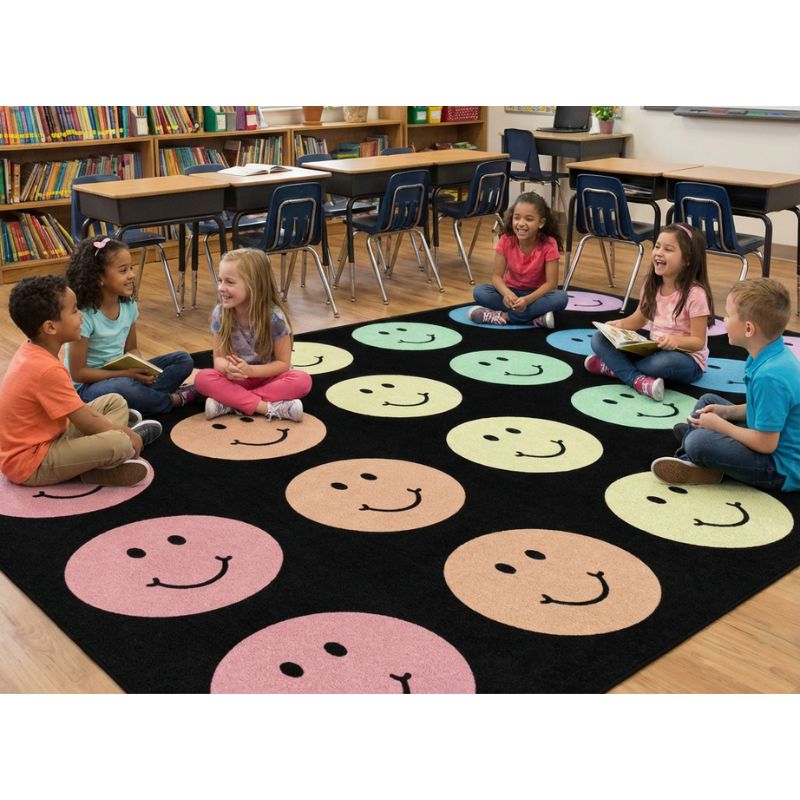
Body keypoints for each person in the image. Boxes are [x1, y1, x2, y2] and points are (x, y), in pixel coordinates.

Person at [0, 275, 162, 487]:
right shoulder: (45, 369)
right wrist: (124, 434)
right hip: (31, 463)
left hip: (52, 435)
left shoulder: (36, 350)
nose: (82, 316)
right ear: (50, 327)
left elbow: (80, 414)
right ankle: (106, 460)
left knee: (115, 401)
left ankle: (95, 464)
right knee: (119, 442)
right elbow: (86, 420)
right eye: (75, 310)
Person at [651, 278, 800, 489]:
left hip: (778, 467)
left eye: (729, 315)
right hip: (766, 435)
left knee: (699, 442)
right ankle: (699, 442)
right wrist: (726, 413)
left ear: (749, 329)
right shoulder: (769, 354)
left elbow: (766, 444)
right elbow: (761, 409)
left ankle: (694, 456)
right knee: (707, 401)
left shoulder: (770, 377)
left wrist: (721, 426)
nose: (724, 319)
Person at [65, 235, 197, 415]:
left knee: (183, 359)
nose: (132, 275)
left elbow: (132, 349)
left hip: (123, 375)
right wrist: (125, 375)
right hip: (87, 388)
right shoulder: (84, 317)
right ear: (99, 278)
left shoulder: (129, 306)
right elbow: (78, 373)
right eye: (123, 270)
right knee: (125, 386)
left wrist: (142, 369)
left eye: (131, 268)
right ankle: (172, 400)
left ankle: (141, 402)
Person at [584, 223, 714, 401]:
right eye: (657, 246)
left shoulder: (695, 294)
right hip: (653, 349)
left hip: (686, 359)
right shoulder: (651, 284)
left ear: (688, 260)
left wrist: (675, 341)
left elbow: (698, 342)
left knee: (661, 364)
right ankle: (637, 380)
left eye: (668, 249)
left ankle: (615, 368)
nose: (659, 253)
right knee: (598, 338)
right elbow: (639, 319)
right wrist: (617, 326)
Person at [194, 248, 312, 420]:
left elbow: (283, 364)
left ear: (253, 285)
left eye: (230, 282)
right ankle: (266, 407)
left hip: (268, 378)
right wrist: (228, 368)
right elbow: (218, 360)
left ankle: (229, 403)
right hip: (236, 379)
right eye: (220, 280)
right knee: (202, 379)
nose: (221, 288)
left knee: (303, 381)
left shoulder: (274, 318)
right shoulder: (221, 314)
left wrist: (250, 371)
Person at [468, 191, 568, 328]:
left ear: (541, 223)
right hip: (511, 293)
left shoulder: (549, 244)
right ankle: (533, 318)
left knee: (561, 298)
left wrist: (527, 300)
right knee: (480, 291)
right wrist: (507, 294)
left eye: (529, 219)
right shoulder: (505, 240)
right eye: (517, 218)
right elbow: (496, 276)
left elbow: (551, 284)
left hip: (536, 296)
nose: (521, 224)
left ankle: (504, 316)